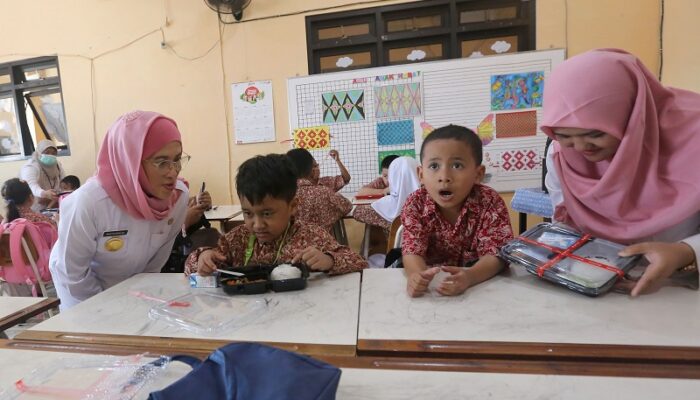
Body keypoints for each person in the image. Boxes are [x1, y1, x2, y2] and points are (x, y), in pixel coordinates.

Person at [541, 48, 700, 297]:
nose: (581, 148)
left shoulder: (693, 137)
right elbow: (567, 225)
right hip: (603, 288)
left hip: (683, 291)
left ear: (632, 113)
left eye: (595, 134)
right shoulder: (561, 155)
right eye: (565, 136)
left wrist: (685, 251)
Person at [49, 110, 189, 309]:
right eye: (161, 162)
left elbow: (155, 263)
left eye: (177, 159)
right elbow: (72, 274)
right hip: (82, 295)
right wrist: (108, 308)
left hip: (134, 291)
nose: (173, 171)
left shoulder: (177, 198)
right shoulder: (89, 202)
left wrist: (136, 300)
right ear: (130, 160)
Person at [185, 154, 367, 276]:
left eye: (267, 213)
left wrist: (328, 260)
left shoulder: (310, 235)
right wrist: (203, 257)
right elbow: (190, 267)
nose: (257, 224)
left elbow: (357, 261)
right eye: (248, 213)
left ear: (293, 206)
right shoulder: (237, 239)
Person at [401, 125, 513, 297]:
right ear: (421, 174)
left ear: (478, 174)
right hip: (432, 289)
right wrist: (418, 275)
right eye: (434, 166)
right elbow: (412, 252)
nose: (444, 176)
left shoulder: (489, 201)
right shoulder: (415, 204)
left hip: (480, 286)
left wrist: (470, 276)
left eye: (457, 165)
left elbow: (497, 255)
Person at [286, 148, 352, 232]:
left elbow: (346, 178)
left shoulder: (283, 194)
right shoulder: (324, 192)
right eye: (314, 166)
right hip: (321, 241)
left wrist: (338, 161)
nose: (317, 168)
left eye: (317, 165)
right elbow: (347, 206)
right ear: (310, 170)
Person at [353, 156, 420, 232]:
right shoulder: (381, 182)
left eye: (392, 175)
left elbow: (357, 212)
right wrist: (383, 191)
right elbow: (361, 192)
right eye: (385, 176)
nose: (388, 180)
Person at [19, 139, 65, 211]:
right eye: (47, 152)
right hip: (34, 206)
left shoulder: (57, 165)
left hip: (52, 204)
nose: (50, 155)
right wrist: (44, 193)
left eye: (53, 153)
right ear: (39, 153)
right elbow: (30, 185)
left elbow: (63, 181)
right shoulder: (31, 166)